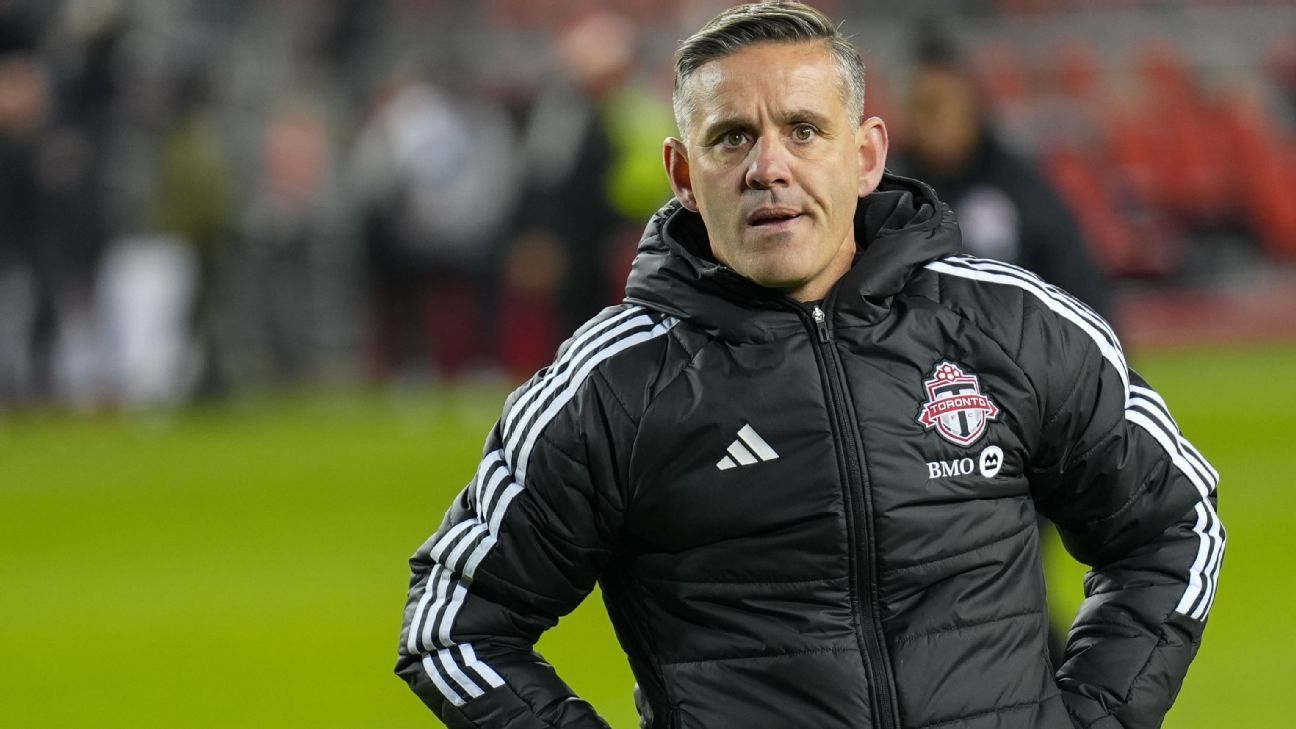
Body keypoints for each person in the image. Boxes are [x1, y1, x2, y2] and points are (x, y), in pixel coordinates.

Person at [395, 4, 1223, 728]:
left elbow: (1173, 522)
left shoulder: (1008, 325)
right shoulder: (615, 385)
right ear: (683, 175)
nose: (769, 168)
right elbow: (454, 625)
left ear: (865, 156)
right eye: (731, 138)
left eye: (802, 129)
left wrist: (1096, 716)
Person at [892, 31, 1111, 319]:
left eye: (936, 107)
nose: (925, 122)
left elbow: (1078, 286)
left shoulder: (1021, 189)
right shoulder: (893, 191)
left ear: (971, 108)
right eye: (917, 108)